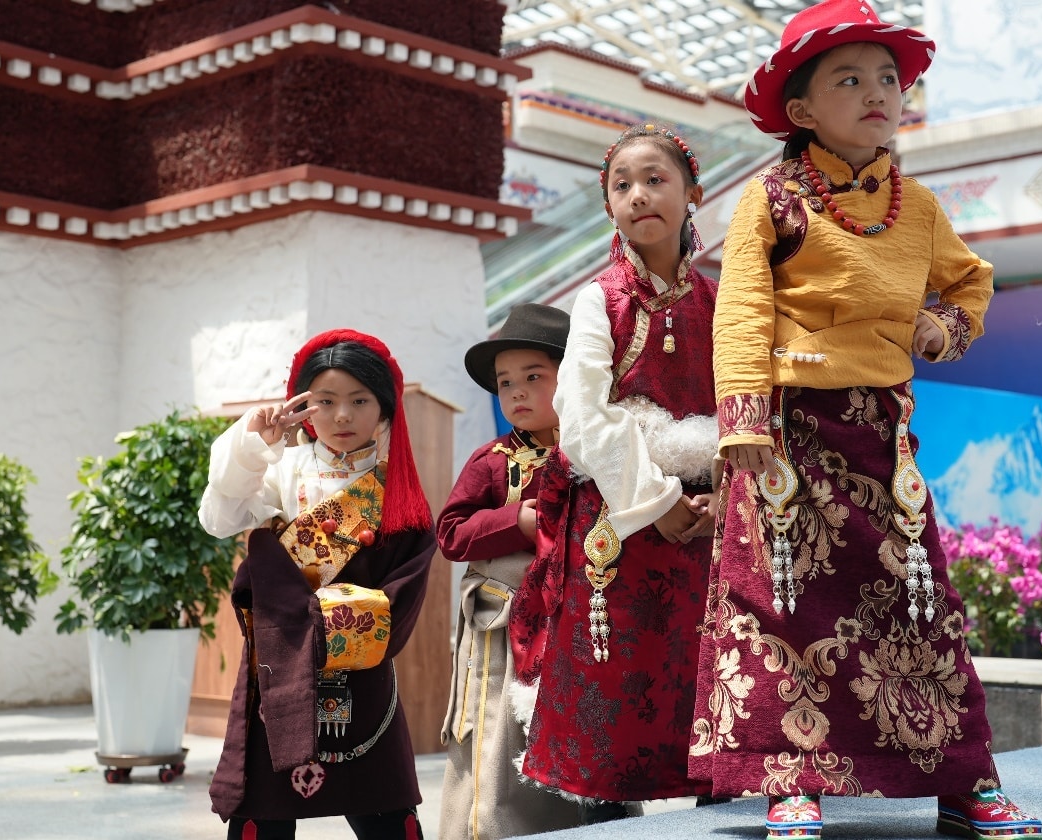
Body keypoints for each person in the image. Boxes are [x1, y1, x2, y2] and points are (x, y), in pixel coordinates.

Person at [688, 2, 1042, 839]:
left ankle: (962, 783)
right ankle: (790, 783)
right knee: (781, 609)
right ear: (801, 110)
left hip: (883, 437)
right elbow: (740, 310)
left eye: (886, 76)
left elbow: (969, 281)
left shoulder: (914, 207)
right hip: (783, 433)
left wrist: (942, 326)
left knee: (920, 609)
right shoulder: (768, 199)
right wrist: (741, 424)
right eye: (848, 77)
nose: (876, 91)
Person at [508, 122, 720, 819]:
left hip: (712, 527)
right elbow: (584, 416)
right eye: (620, 185)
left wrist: (725, 495)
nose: (638, 195)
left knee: (718, 704)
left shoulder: (725, 301)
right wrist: (657, 502)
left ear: (693, 194)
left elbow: (753, 409)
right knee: (614, 717)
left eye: (655, 179)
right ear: (607, 207)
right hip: (622, 528)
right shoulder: (600, 297)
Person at [199, 330, 435, 840]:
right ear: (304, 407)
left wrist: (332, 623)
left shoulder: (397, 488)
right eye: (325, 402)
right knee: (264, 816)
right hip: (281, 667)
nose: (342, 416)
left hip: (364, 672)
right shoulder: (282, 470)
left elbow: (404, 588)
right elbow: (219, 517)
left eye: (359, 400)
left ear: (386, 408)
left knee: (386, 813)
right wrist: (253, 443)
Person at [436, 303, 583, 840]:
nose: (517, 392)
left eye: (534, 377)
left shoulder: (596, 450)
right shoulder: (492, 459)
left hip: (577, 623)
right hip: (503, 628)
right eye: (506, 383)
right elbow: (450, 532)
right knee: (498, 736)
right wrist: (517, 522)